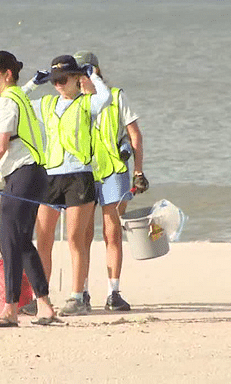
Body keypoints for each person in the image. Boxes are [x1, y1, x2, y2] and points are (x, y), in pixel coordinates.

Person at [0, 50, 60, 328]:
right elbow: (23, 94)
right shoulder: (18, 96)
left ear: (7, 74)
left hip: (24, 175)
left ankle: (10, 309)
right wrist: (32, 83)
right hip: (34, 175)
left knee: (8, 241)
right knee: (22, 242)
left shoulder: (8, 102)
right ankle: (45, 306)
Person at [27, 55, 112, 317]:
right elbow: (12, 103)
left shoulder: (87, 103)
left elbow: (105, 98)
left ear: (77, 79)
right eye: (54, 81)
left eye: (64, 79)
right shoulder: (47, 104)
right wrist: (33, 82)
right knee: (43, 238)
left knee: (76, 239)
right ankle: (40, 297)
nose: (58, 85)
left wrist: (93, 75)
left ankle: (78, 296)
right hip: (51, 175)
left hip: (78, 176)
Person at [74, 50, 149, 312]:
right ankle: (81, 292)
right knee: (81, 234)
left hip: (114, 171)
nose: (80, 78)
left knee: (112, 232)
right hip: (82, 173)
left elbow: (135, 136)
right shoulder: (72, 101)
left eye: (84, 72)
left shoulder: (117, 97)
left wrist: (138, 171)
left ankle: (113, 292)